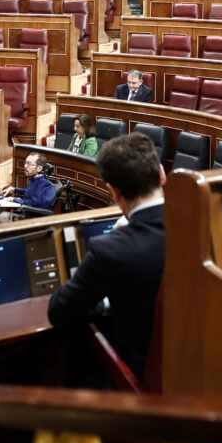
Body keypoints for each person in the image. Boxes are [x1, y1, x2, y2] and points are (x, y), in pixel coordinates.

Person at [48, 133, 166, 378]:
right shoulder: (200, 224)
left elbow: (59, 310)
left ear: (113, 192)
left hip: (143, 375)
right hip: (198, 366)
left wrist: (103, 302)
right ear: (162, 175)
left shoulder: (111, 249)